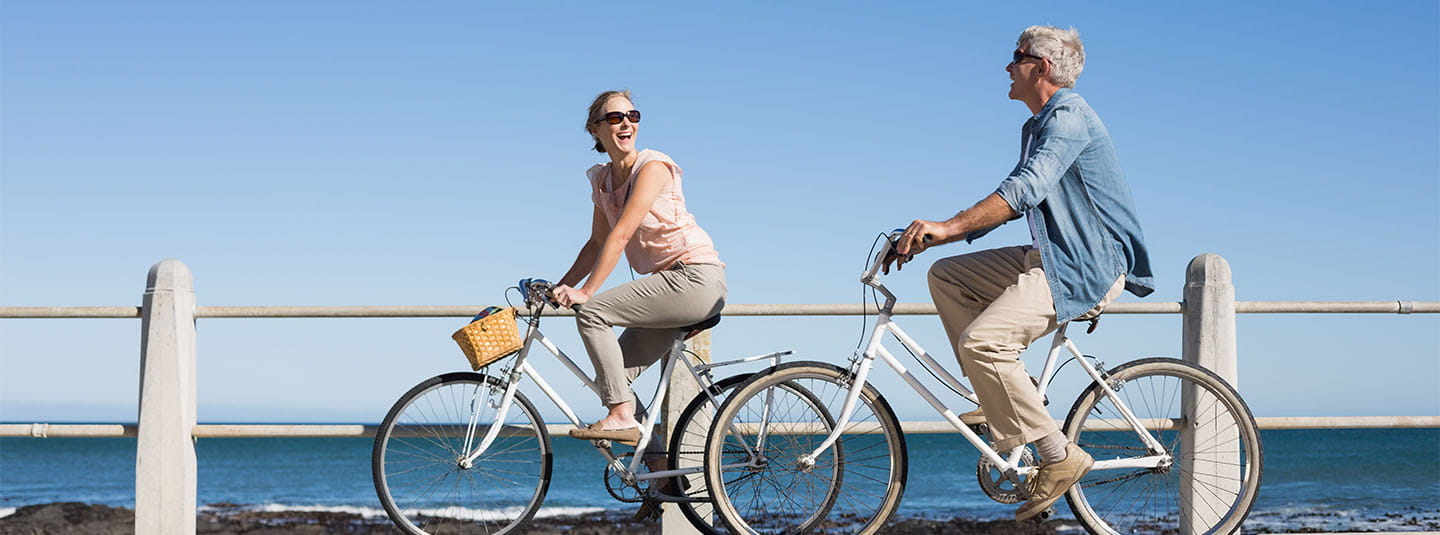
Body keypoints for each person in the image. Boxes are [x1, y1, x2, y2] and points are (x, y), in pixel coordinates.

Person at [888, 26, 1153, 521]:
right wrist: (934, 241)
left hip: (1086, 263)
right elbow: (1016, 197)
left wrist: (946, 226)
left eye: (1016, 57)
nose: (1006, 67)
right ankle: (1003, 398)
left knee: (984, 343)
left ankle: (1059, 456)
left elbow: (1025, 190)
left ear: (1042, 68)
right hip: (1051, 255)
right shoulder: (1036, 126)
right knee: (947, 276)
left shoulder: (1070, 116)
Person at [552, 90, 727, 451]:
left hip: (695, 278)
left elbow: (623, 233)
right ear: (595, 130)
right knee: (611, 377)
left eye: (632, 115)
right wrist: (561, 287)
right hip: (668, 286)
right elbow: (596, 242)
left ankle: (621, 416)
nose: (626, 123)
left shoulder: (653, 167)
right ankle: (661, 475)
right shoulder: (602, 181)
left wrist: (586, 294)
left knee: (594, 313)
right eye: (615, 118)